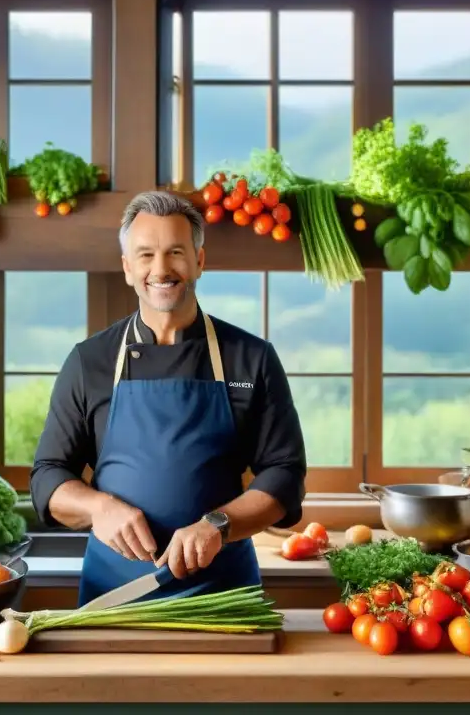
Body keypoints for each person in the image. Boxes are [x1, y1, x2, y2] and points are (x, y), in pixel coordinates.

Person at [30, 190, 307, 605]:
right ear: (127, 268)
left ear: (199, 260)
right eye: (145, 255)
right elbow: (48, 476)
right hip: (115, 597)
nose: (161, 269)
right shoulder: (90, 361)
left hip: (223, 597)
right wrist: (98, 507)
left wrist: (219, 524)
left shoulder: (252, 358)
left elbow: (284, 474)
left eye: (175, 252)